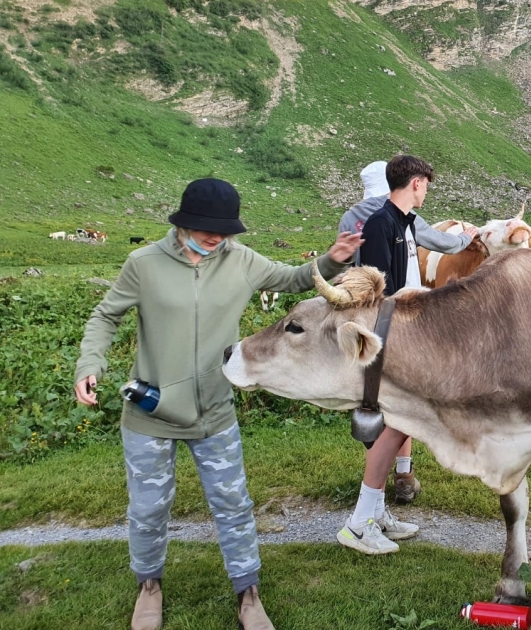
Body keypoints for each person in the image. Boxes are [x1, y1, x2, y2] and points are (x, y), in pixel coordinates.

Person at [73, 178, 363, 630]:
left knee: (233, 504)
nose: (216, 237)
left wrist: (331, 258)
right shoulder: (143, 263)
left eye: (225, 230)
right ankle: (149, 586)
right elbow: (106, 315)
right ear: (182, 221)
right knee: (148, 508)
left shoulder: (242, 261)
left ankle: (248, 594)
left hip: (214, 413)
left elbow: (289, 279)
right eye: (207, 228)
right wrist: (90, 363)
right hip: (150, 414)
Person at [336, 154, 475, 555]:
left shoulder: (404, 222)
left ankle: (375, 514)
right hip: (394, 337)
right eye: (426, 184)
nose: (428, 190)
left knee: (400, 423)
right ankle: (359, 523)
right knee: (395, 422)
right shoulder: (382, 223)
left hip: (408, 333)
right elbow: (382, 290)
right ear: (414, 183)